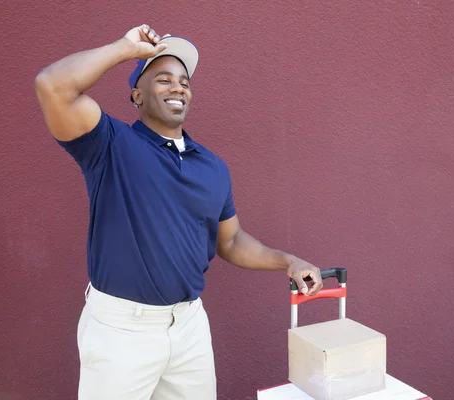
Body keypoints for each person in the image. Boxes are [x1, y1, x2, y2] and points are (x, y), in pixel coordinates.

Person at [34, 24, 323, 400]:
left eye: (184, 81)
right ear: (136, 95)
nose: (177, 87)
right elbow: (52, 86)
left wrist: (288, 261)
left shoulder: (212, 167)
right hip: (122, 331)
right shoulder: (110, 145)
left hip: (188, 327)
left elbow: (231, 240)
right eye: (163, 79)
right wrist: (126, 49)